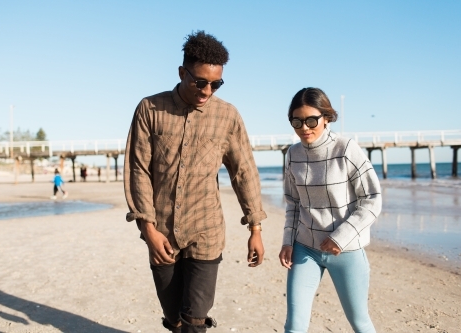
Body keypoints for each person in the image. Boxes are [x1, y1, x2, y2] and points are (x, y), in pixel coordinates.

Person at [123, 31, 266, 333]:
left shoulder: (227, 116)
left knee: (195, 319)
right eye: (200, 82)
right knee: (173, 316)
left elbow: (244, 172)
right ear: (181, 72)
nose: (207, 91)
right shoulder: (150, 109)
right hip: (161, 233)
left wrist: (255, 228)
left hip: (207, 230)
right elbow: (138, 171)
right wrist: (148, 230)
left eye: (216, 84)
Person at [278, 87, 382, 333]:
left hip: (345, 251)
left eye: (311, 120)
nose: (304, 128)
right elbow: (293, 203)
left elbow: (372, 198)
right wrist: (287, 242)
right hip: (306, 249)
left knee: (359, 321)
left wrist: (341, 237)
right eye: (297, 121)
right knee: (294, 326)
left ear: (326, 117)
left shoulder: (346, 149)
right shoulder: (292, 154)